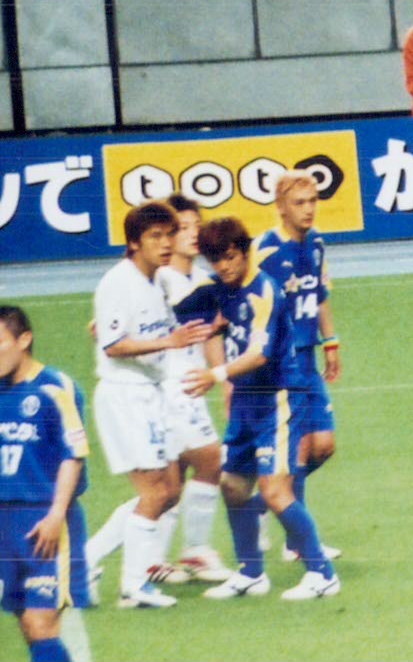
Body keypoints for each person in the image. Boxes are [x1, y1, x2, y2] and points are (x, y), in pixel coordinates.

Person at [180, 217, 340, 601]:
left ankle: (322, 573)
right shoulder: (217, 286)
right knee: (233, 486)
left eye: (230, 257)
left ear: (244, 252)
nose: (223, 266)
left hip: (277, 399)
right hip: (246, 402)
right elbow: (178, 311)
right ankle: (251, 573)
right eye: (215, 260)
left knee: (274, 490)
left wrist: (216, 374)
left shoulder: (264, 291)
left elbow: (258, 354)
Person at [86, 194, 232, 587]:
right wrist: (169, 341)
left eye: (174, 232)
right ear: (136, 242)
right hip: (138, 393)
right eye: (160, 235)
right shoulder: (126, 280)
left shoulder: (164, 279)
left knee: (167, 489)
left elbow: (184, 319)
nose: (170, 241)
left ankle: (100, 563)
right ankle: (142, 576)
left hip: (155, 389)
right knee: (171, 483)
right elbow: (112, 341)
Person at [251, 171, 342, 562]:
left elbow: (319, 295)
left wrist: (331, 342)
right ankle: (299, 542)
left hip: (308, 359)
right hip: (280, 365)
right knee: (300, 448)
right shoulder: (265, 251)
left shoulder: (316, 243)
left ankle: (268, 499)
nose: (308, 210)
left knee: (324, 445)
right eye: (300, 203)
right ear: (281, 207)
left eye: (313, 201)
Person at [0, 305, 93, 662]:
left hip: (46, 521)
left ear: (24, 340)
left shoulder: (55, 388)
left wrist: (56, 515)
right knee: (29, 625)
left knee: (41, 622)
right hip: (5, 523)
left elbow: (73, 454)